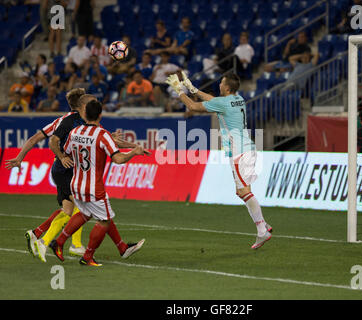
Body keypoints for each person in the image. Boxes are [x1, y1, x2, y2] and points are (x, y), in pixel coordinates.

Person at [166, 72, 273, 249]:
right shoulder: (238, 99)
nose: (219, 85)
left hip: (239, 152)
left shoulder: (223, 103)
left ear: (227, 87)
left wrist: (180, 91)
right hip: (247, 148)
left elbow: (192, 106)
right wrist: (194, 89)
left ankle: (262, 230)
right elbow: (214, 100)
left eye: (222, 83)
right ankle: (263, 223)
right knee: (242, 192)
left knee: (243, 191)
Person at [49, 100, 150, 266]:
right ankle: (88, 256)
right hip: (93, 187)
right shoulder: (103, 135)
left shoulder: (75, 132)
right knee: (105, 220)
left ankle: (58, 242)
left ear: (84, 114)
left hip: (76, 183)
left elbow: (65, 150)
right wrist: (134, 152)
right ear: (100, 115)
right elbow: (118, 159)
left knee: (84, 213)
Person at [6, 88, 87, 261]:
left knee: (67, 211)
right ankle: (76, 245)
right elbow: (51, 141)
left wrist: (20, 157)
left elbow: (34, 139)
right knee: (81, 206)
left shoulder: (59, 121)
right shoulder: (73, 121)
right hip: (65, 169)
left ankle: (36, 233)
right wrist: (62, 156)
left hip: (64, 169)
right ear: (82, 103)